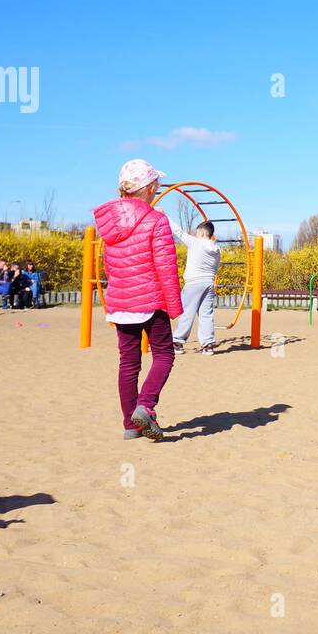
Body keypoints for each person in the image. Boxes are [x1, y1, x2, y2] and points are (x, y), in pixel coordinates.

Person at [93, 158, 184, 441]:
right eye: (155, 185)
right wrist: (174, 306)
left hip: (121, 302)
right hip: (151, 300)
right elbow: (166, 267)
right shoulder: (156, 220)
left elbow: (113, 265)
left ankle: (129, 425)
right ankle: (145, 406)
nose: (157, 189)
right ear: (147, 188)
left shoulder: (110, 222)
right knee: (164, 354)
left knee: (128, 362)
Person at [171, 221, 221, 355]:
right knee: (206, 314)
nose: (195, 234)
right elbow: (216, 268)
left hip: (194, 283)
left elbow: (178, 232)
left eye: (197, 232)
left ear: (203, 233)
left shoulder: (196, 242)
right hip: (208, 283)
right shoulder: (216, 249)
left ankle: (178, 342)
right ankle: (208, 344)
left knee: (187, 312)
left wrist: (164, 215)